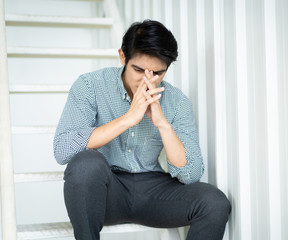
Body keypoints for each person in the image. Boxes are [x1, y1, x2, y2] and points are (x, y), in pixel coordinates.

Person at [53, 19, 231, 240]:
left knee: (214, 202)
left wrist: (162, 124)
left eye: (158, 73)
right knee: (85, 164)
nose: (147, 80)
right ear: (122, 57)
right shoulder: (91, 85)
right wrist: (128, 118)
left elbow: (191, 175)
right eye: (138, 69)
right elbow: (63, 150)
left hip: (154, 191)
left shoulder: (177, 102)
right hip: (107, 191)